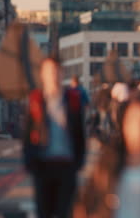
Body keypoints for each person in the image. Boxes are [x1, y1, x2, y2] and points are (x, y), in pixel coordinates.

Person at [74, 97, 140, 218]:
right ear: (123, 124)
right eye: (133, 121)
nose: (139, 128)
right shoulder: (109, 158)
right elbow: (87, 200)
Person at [23, 57, 86, 218]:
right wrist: (30, 162)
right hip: (43, 165)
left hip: (66, 165)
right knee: (43, 213)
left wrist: (79, 162)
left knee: (65, 212)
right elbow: (27, 134)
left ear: (62, 73)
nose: (53, 75)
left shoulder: (72, 99)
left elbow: (80, 133)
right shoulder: (36, 100)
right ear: (42, 75)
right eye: (49, 71)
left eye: (56, 71)